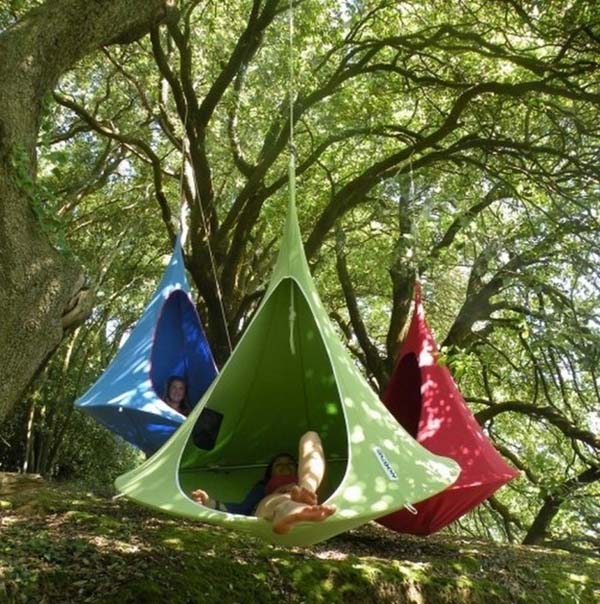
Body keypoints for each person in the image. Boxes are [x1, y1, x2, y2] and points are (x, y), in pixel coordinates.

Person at [191, 431, 336, 535]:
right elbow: (242, 509)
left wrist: (301, 487)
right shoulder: (263, 488)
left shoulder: (305, 475)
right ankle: (288, 508)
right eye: (279, 464)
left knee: (311, 436)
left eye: (290, 463)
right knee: (277, 499)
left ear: (298, 467)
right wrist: (209, 502)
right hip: (270, 507)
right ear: (270, 473)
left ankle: (302, 496)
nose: (285, 466)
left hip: (310, 491)